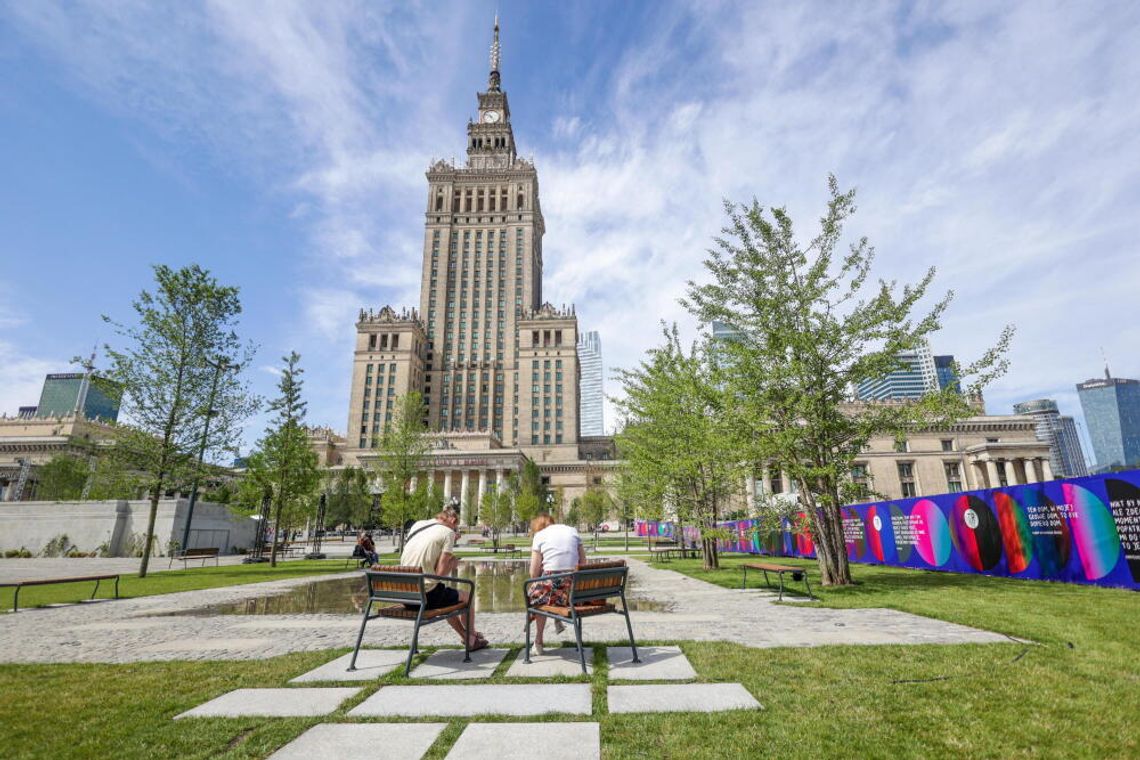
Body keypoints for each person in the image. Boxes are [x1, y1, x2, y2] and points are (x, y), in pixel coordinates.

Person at [400, 507, 486, 650]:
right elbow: (439, 575)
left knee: (446, 598)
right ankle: (472, 636)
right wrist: (451, 564)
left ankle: (468, 637)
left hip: (405, 596)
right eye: (456, 527)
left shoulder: (418, 525)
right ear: (452, 520)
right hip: (424, 597)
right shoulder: (448, 533)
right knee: (467, 596)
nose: (456, 531)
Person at [527, 513, 587, 656]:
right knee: (552, 586)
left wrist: (543, 570)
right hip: (575, 593)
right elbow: (583, 564)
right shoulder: (572, 531)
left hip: (554, 592)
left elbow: (533, 573)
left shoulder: (540, 536)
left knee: (535, 595)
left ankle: (538, 641)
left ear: (538, 528)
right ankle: (556, 620)